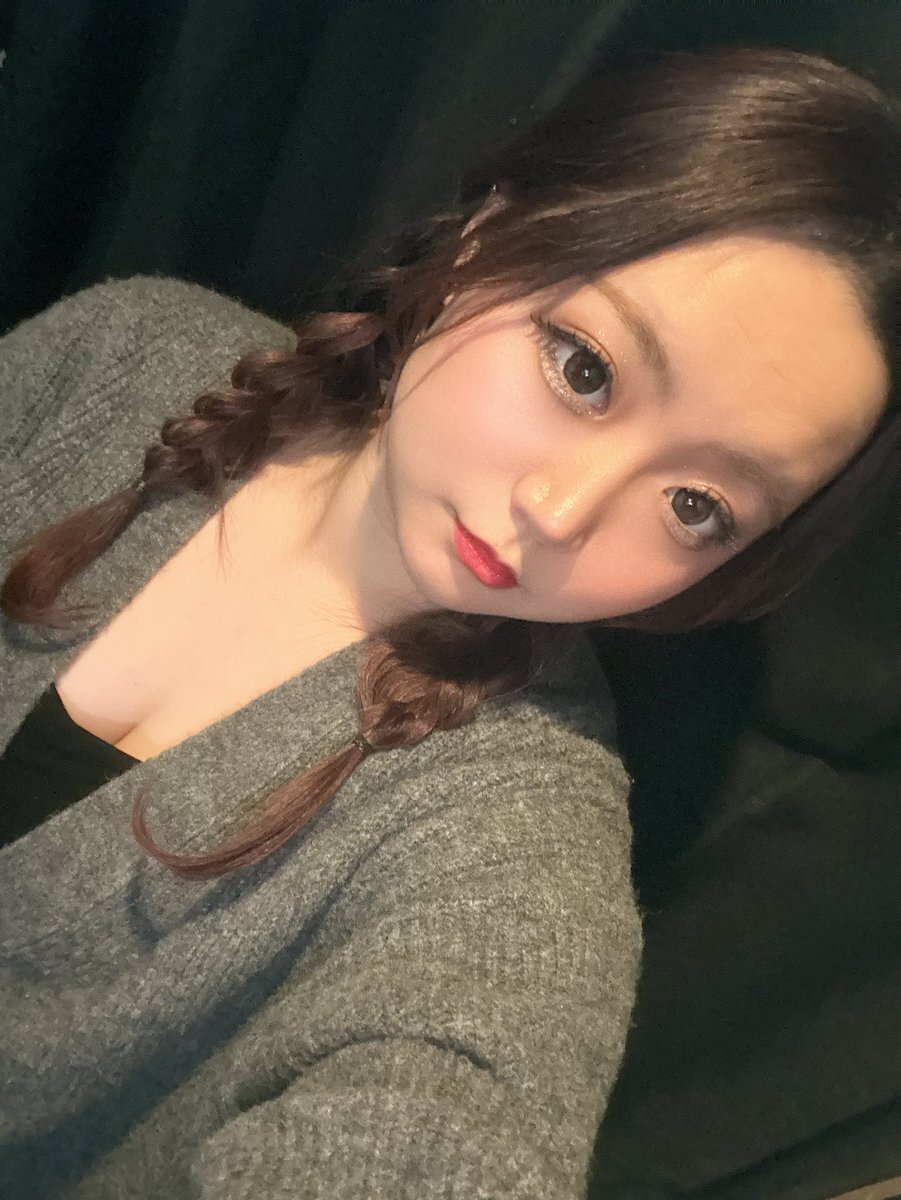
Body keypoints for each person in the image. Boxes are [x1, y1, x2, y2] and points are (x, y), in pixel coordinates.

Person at [0, 44, 896, 1200]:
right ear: (487, 234)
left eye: (696, 506)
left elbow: (450, 1113)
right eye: (585, 370)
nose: (559, 514)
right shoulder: (127, 353)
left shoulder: (507, 828)